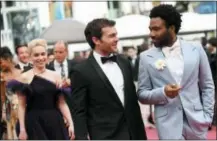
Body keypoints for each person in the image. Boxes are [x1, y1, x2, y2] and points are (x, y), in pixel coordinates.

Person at [137, 4, 215, 140]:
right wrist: (163, 92)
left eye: (156, 29)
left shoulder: (196, 49)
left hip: (196, 123)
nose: (151, 34)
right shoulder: (145, 57)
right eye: (150, 29)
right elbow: (142, 94)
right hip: (168, 127)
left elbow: (207, 85)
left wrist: (207, 116)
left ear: (171, 28)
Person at [70, 18, 147, 140]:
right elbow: (79, 111)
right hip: (105, 135)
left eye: (116, 34)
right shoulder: (81, 71)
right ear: (96, 40)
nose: (117, 39)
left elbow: (132, 103)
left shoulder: (124, 62)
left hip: (134, 133)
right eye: (111, 36)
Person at [6, 39, 75, 140]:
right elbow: (21, 105)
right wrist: (22, 129)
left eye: (43, 54)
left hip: (55, 121)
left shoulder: (55, 75)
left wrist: (71, 123)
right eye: (36, 55)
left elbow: (62, 103)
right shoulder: (24, 77)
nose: (40, 58)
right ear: (30, 57)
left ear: (47, 55)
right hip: (33, 123)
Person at [0, 46, 21, 139]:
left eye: (1, 62)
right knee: (12, 133)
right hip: (9, 107)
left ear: (8, 59)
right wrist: (4, 112)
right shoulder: (2, 75)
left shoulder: (22, 72)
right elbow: (2, 96)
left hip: (23, 107)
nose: (0, 65)